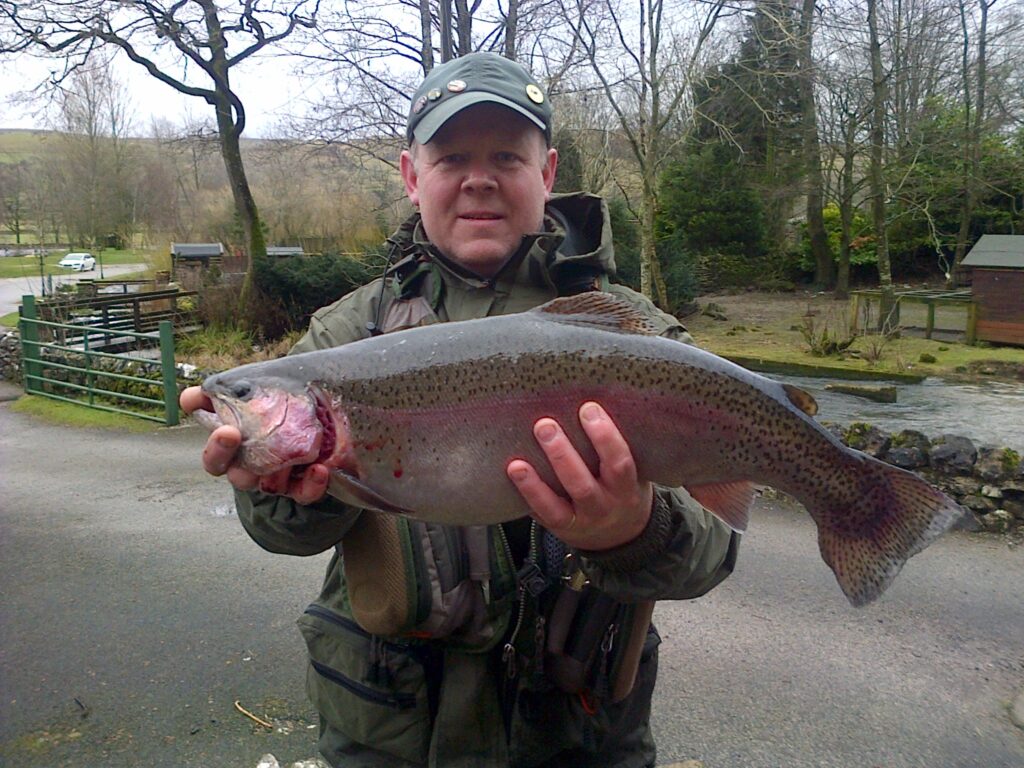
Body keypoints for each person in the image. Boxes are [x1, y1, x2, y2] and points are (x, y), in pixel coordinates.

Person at [181, 52, 739, 768]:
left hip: (578, 740)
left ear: (548, 173)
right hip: (390, 733)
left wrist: (636, 529)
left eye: (507, 154)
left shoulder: (635, 336)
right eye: (451, 157)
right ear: (413, 177)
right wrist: (281, 487)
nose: (479, 177)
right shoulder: (344, 338)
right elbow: (281, 534)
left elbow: (716, 551)